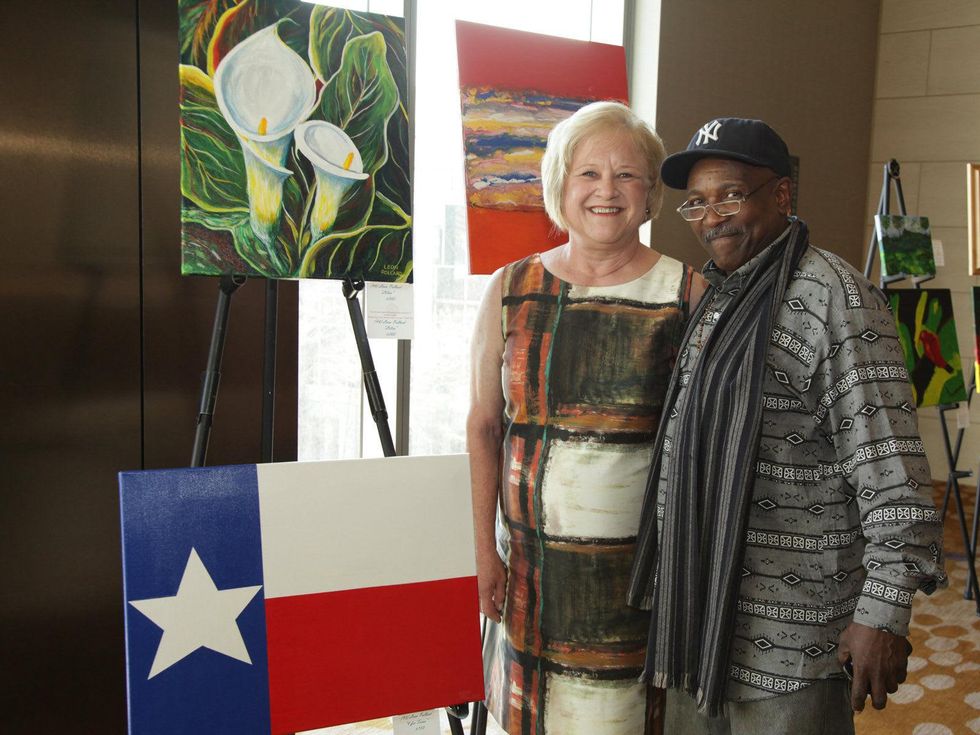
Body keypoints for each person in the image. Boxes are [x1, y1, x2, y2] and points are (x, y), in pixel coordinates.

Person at [628, 118, 947, 735]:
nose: (712, 216)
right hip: (705, 628)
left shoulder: (836, 300)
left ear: (781, 195)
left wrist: (883, 613)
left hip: (795, 642)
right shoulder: (720, 295)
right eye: (697, 202)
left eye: (730, 194)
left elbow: (893, 466)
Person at [467, 100, 706, 734]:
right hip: (531, 569)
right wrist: (482, 553)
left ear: (651, 192)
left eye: (627, 175)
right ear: (559, 186)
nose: (607, 191)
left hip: (640, 579)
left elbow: (708, 444)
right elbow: (485, 427)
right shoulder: (510, 288)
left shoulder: (688, 295)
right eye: (588, 174)